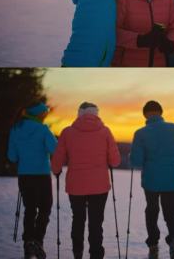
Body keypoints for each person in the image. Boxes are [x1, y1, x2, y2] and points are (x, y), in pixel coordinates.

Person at [51, 102, 121, 259]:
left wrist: (56, 170)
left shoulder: (67, 132)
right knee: (96, 223)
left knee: (78, 219)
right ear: (96, 114)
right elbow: (115, 161)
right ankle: (96, 254)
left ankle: (77, 253)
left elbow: (57, 159)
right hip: (100, 186)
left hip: (76, 186)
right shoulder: (105, 132)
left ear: (79, 114)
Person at [130, 100, 174, 259]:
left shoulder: (140, 133)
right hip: (171, 180)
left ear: (145, 114)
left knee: (152, 210)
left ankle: (153, 244)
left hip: (150, 181)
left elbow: (136, 162)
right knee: (172, 214)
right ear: (161, 112)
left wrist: (134, 156)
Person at [7, 102, 57, 259]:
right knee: (45, 208)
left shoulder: (16, 128)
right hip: (42, 175)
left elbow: (12, 156)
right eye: (44, 114)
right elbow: (54, 148)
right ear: (39, 115)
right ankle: (37, 241)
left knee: (30, 209)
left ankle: (28, 243)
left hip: (25, 176)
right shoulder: (43, 129)